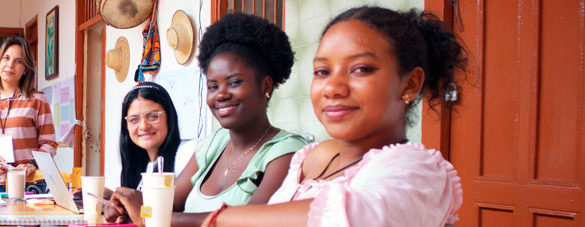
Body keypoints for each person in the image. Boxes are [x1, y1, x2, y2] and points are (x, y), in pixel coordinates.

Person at [199, 6, 465, 226]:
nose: (333, 88)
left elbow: (344, 216)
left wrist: (203, 220)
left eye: (361, 69)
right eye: (322, 72)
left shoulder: (419, 172)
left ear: (409, 84)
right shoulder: (314, 158)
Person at [106, 13, 309, 226]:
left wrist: (150, 216)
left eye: (234, 82)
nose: (220, 94)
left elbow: (249, 221)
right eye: (213, 86)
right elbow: (170, 205)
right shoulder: (215, 143)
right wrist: (131, 208)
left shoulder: (287, 152)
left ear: (265, 86)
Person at [0, 35, 57, 192]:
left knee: (29, 218)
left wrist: (32, 164)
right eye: (6, 58)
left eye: (18, 61)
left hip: (29, 182)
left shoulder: (38, 101)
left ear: (26, 68)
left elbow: (50, 143)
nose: (10, 65)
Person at [119, 82, 182, 189]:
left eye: (153, 116)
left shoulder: (187, 154)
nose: (144, 126)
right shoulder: (139, 166)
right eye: (134, 120)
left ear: (169, 117)